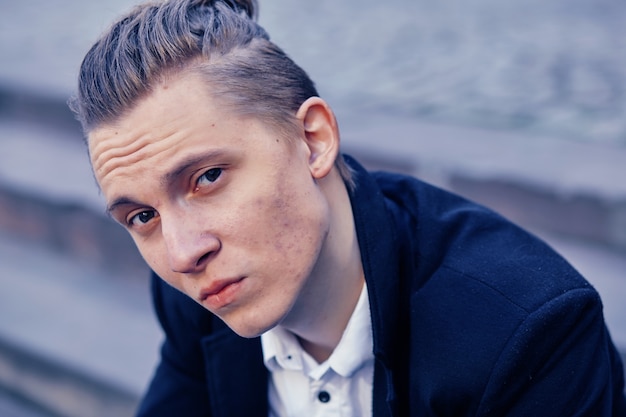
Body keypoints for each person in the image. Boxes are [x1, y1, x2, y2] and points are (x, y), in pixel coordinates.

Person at [70, 0, 626, 415]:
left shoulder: (528, 330)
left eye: (207, 177)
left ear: (313, 139)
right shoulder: (198, 299)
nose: (183, 252)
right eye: (142, 217)